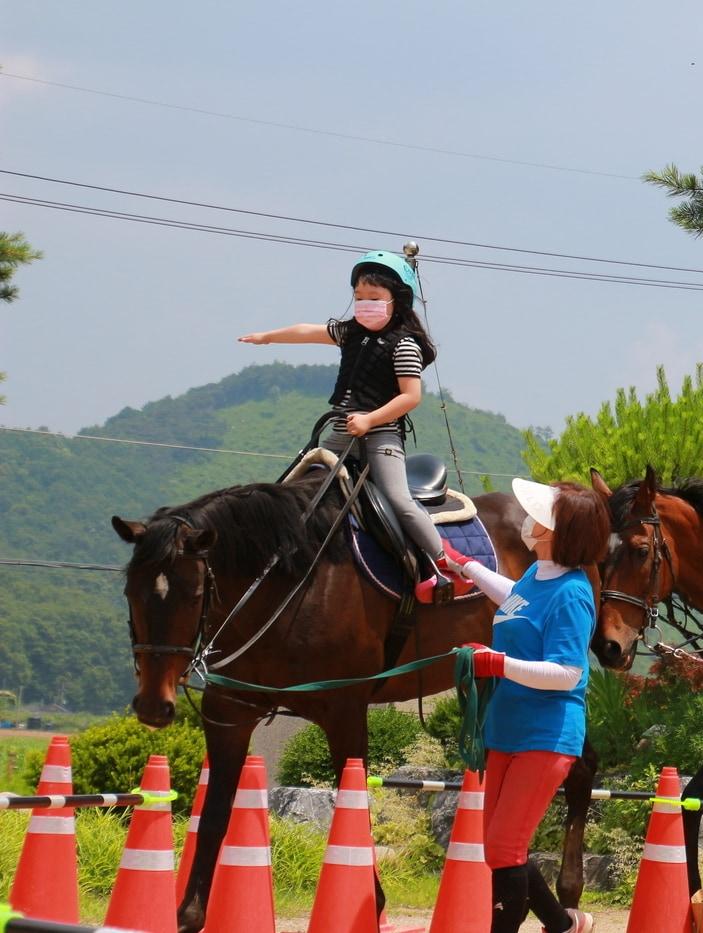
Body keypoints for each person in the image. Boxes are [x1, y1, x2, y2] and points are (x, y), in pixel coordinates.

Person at [237, 250, 470, 598]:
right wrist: (267, 337)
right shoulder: (349, 332)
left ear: (397, 301)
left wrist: (371, 419)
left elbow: (410, 397)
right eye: (359, 298)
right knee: (289, 487)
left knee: (398, 498)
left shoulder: (404, 344)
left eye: (374, 298)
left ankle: (442, 562)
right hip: (340, 432)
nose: (364, 305)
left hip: (380, 435)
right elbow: (308, 331)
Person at [458, 478, 610, 933]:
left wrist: (498, 663)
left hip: (545, 734)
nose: (528, 521)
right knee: (498, 847)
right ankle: (563, 926)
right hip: (507, 728)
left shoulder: (573, 594)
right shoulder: (536, 576)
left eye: (539, 517)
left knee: (504, 849)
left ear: (558, 532)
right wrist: (467, 567)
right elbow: (517, 600)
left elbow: (567, 672)